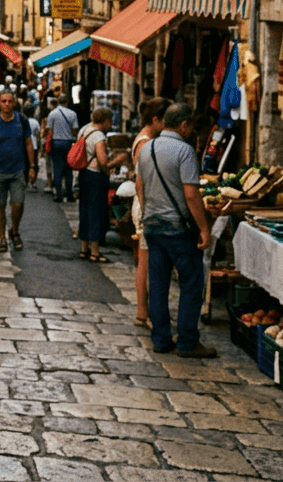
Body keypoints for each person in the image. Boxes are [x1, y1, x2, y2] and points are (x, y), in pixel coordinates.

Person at [136, 103, 216, 358]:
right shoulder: (185, 150)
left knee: (158, 284)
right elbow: (191, 194)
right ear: (183, 125)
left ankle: (161, 339)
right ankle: (187, 341)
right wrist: (204, 228)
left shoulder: (147, 147)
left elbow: (140, 185)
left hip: (153, 225)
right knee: (191, 284)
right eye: (190, 126)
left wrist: (148, 213)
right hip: (178, 228)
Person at [130, 97, 171, 329]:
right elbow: (141, 183)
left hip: (147, 204)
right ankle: (142, 312)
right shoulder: (145, 143)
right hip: (146, 205)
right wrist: (147, 212)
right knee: (145, 261)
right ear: (155, 120)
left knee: (146, 259)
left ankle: (144, 311)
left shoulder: (148, 139)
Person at [0, 90, 37, 252]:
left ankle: (14, 230)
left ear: (14, 103)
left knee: (18, 203)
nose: (6, 104)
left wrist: (32, 166)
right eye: (3, 101)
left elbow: (28, 143)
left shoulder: (22, 120)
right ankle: (2, 238)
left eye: (9, 101)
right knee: (0, 205)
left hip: (18, 169)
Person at [75, 106, 129, 263]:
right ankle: (95, 251)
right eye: (110, 121)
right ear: (105, 121)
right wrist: (117, 161)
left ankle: (84, 248)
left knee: (84, 211)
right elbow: (103, 162)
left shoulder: (85, 129)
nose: (110, 125)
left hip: (84, 174)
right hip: (95, 177)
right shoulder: (98, 136)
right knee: (96, 213)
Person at [44, 95, 79, 202]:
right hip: (68, 143)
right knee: (68, 169)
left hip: (56, 142)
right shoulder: (72, 114)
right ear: (67, 102)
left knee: (57, 169)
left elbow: (50, 131)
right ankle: (69, 194)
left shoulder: (52, 114)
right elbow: (75, 131)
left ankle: (58, 194)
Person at [24, 104, 42, 189]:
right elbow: (38, 134)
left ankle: (25, 181)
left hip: (23, 146)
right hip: (34, 145)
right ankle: (32, 181)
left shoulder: (22, 121)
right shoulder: (35, 122)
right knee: (34, 163)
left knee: (25, 163)